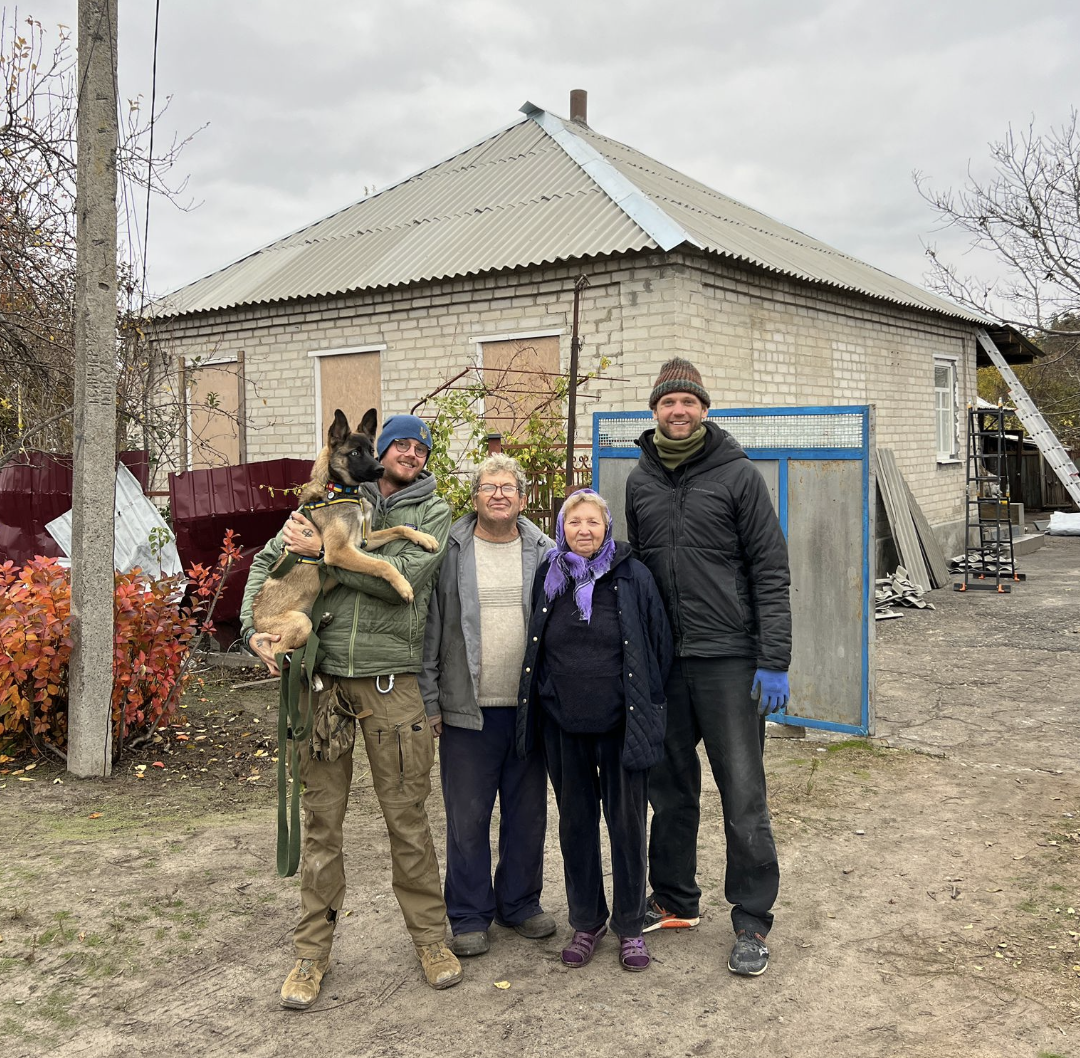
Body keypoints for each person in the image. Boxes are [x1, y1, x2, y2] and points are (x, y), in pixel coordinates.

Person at [241, 413, 461, 1008]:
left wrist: (328, 554)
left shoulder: (433, 514)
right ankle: (310, 956)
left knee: (408, 820)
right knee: (322, 826)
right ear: (379, 452)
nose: (411, 455)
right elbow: (267, 565)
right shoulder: (326, 505)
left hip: (393, 685)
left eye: (421, 449)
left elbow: (401, 582)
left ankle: (431, 941)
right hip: (324, 683)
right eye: (401, 446)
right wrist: (253, 632)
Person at [625, 357, 792, 978]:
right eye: (668, 403)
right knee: (669, 791)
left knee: (744, 794)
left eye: (689, 402)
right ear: (655, 411)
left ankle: (751, 919)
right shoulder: (640, 481)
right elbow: (637, 576)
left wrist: (773, 660)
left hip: (729, 660)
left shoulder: (739, 476)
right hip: (668, 665)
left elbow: (771, 572)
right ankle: (673, 900)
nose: (678, 411)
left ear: (704, 409)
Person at [516, 489, 672, 972]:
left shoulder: (633, 574)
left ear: (608, 528)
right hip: (564, 724)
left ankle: (629, 927)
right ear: (562, 527)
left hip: (622, 726)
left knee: (627, 827)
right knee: (576, 826)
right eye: (575, 521)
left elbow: (659, 645)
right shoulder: (550, 573)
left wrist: (643, 703)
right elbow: (537, 643)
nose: (584, 530)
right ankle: (587, 921)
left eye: (594, 522)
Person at [420, 454, 555, 958]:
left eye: (509, 486)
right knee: (467, 817)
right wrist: (430, 701)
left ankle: (519, 904)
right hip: (466, 710)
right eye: (489, 486)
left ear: (522, 498)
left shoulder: (545, 550)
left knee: (527, 815)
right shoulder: (450, 550)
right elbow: (430, 629)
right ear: (474, 497)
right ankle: (470, 915)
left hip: (527, 711)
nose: (499, 493)